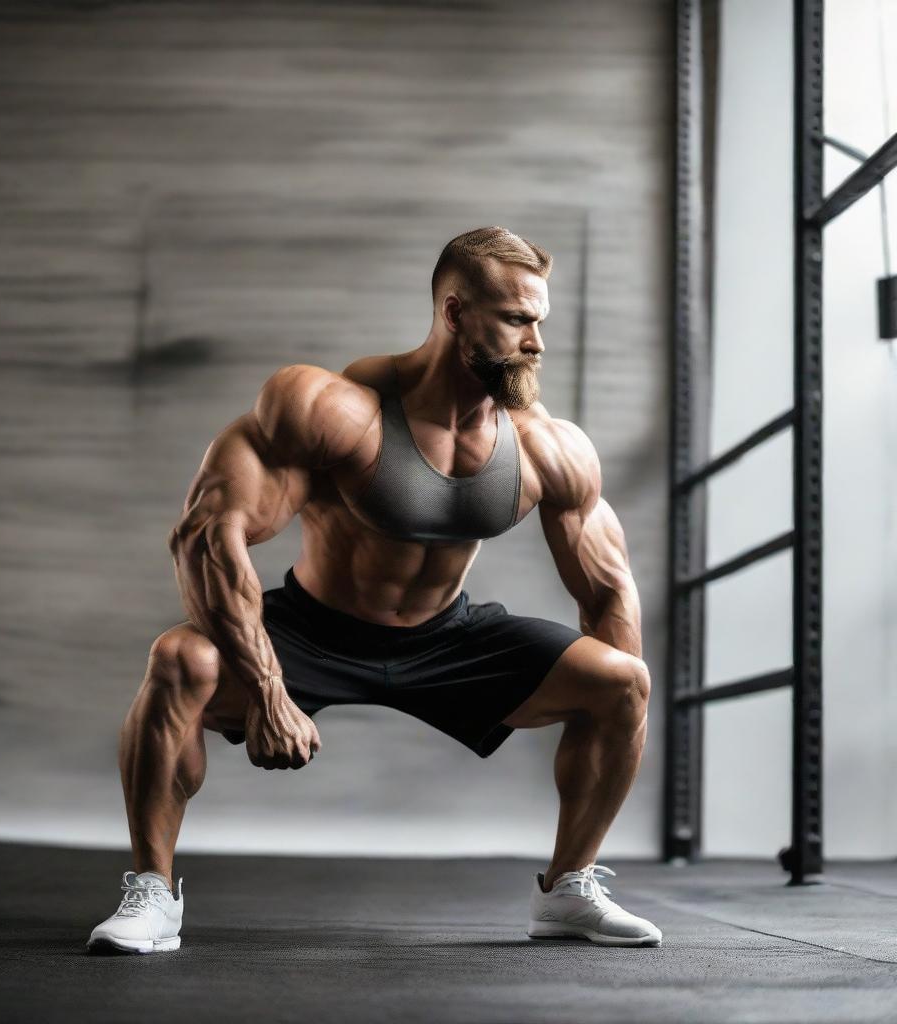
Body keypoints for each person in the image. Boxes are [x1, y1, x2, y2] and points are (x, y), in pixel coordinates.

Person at [87, 226, 662, 953]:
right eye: (518, 320)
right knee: (180, 660)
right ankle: (152, 894)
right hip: (310, 630)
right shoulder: (335, 410)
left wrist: (621, 711)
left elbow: (608, 592)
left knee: (622, 680)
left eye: (539, 321)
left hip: (449, 638)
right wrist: (267, 691)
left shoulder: (548, 446)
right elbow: (205, 536)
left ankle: (570, 889)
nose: (536, 342)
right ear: (454, 315)